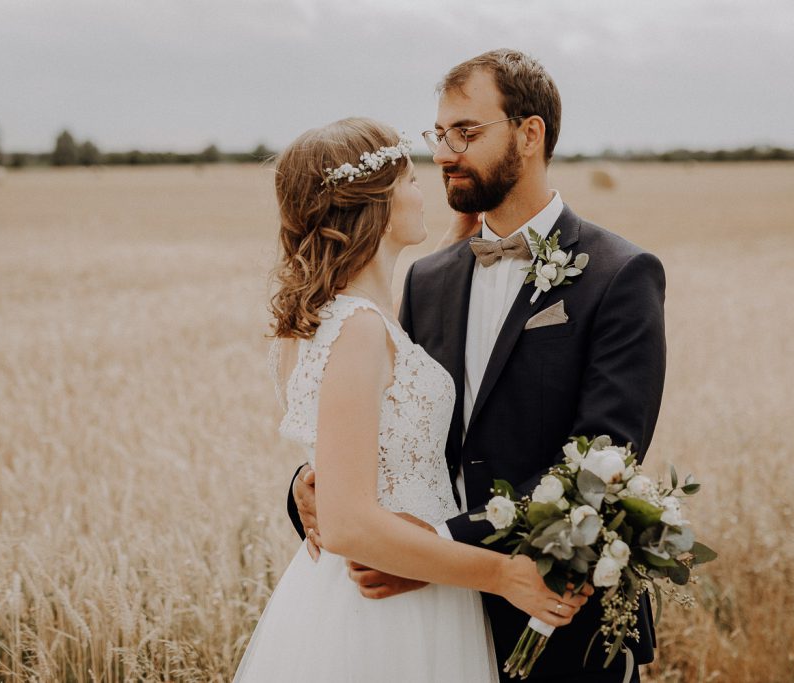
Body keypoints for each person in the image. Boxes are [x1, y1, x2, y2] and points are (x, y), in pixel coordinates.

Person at [290, 50, 667, 682]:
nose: (443, 153)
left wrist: (436, 547)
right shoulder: (430, 277)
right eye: (440, 135)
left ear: (529, 133)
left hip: (556, 617)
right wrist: (311, 479)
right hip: (426, 623)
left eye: (465, 133)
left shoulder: (620, 275)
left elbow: (600, 466)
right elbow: (390, 416)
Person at [233, 117, 590, 682]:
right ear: (374, 203)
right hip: (389, 603)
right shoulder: (357, 329)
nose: (424, 187)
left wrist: (455, 245)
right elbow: (348, 523)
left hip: (382, 587)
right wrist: (501, 575)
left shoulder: (338, 319)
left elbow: (376, 423)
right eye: (409, 180)